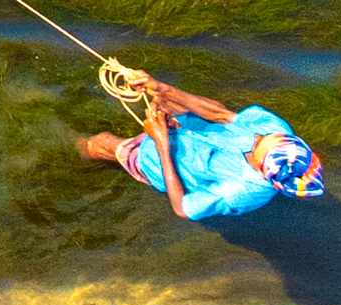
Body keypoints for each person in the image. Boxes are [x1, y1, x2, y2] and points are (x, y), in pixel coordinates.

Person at [82, 70, 325, 221]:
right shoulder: (278, 130)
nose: (262, 135)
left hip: (160, 158)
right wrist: (160, 87)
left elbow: (183, 209)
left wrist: (161, 142)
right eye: (275, 137)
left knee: (100, 143)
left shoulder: (236, 191)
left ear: (261, 166)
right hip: (195, 129)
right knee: (160, 99)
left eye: (261, 141)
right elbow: (221, 114)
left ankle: (73, 150)